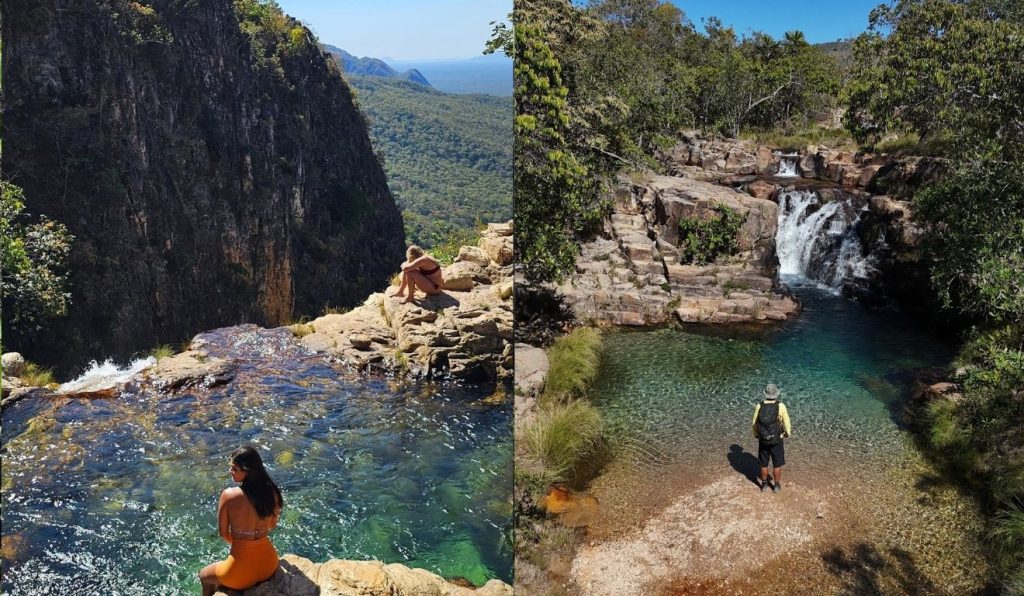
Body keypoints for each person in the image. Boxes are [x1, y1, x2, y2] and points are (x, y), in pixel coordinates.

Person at [199, 446, 283, 595]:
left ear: (248, 471)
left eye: (235, 469)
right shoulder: (272, 492)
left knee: (203, 576)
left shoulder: (229, 495)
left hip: (239, 575)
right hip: (269, 564)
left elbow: (224, 534)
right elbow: (271, 525)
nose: (230, 472)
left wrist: (242, 546)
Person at [752, 383, 791, 493]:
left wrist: (756, 434)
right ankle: (776, 486)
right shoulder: (781, 406)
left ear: (765, 394)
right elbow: (786, 421)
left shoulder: (759, 405)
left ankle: (764, 485)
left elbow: (754, 423)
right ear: (776, 394)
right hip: (777, 439)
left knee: (763, 463)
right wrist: (788, 433)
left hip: (763, 439)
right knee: (777, 463)